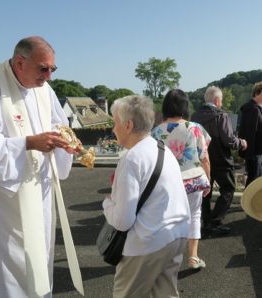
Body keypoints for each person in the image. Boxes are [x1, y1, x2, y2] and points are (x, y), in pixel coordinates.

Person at [0, 36, 83, 297]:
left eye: (53, 69)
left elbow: (59, 125)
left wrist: (66, 142)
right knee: (9, 265)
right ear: (20, 62)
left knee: (38, 255)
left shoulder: (44, 90)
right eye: (44, 68)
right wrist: (28, 142)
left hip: (38, 190)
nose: (49, 76)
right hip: (2, 199)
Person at [103, 95, 190, 298]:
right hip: (176, 234)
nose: (113, 129)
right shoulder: (162, 149)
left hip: (147, 241)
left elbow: (123, 221)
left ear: (128, 125)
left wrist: (107, 204)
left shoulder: (132, 158)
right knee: (165, 294)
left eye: (115, 123)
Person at [152, 89, 211, 270]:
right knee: (194, 215)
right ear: (185, 106)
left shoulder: (155, 131)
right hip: (192, 181)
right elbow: (204, 158)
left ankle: (166, 259)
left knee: (165, 218)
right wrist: (207, 179)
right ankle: (193, 257)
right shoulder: (195, 128)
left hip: (165, 183)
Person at [192, 86, 247, 235]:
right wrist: (241, 142)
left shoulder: (194, 117)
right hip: (221, 160)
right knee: (228, 189)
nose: (221, 103)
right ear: (217, 100)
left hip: (202, 160)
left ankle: (205, 221)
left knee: (205, 192)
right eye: (221, 100)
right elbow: (229, 140)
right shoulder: (221, 115)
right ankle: (214, 222)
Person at [238, 81, 262, 186]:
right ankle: (247, 203)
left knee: (255, 182)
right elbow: (250, 134)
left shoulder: (255, 109)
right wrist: (250, 156)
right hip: (255, 154)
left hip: (256, 153)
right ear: (258, 92)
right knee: (253, 183)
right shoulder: (253, 110)